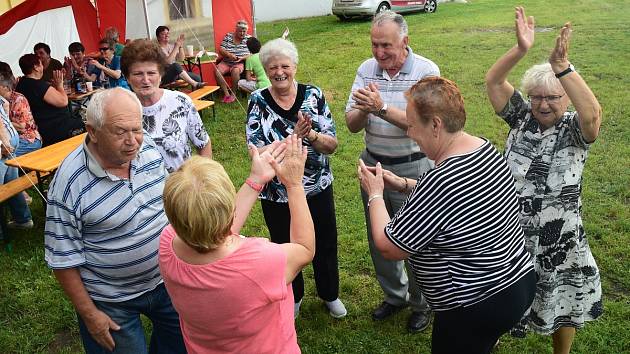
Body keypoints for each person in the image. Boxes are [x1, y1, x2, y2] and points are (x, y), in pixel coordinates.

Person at [358, 76, 536, 354]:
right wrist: (405, 184)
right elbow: (459, 200)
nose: (409, 133)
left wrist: (375, 193)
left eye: (413, 125)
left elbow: (389, 246)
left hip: (473, 305)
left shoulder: (439, 180)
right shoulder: (484, 148)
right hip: (515, 284)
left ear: (436, 125)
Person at [485, 7, 603, 354]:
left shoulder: (575, 129)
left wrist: (562, 67)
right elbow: (493, 82)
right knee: (500, 299)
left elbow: (593, 114)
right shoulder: (521, 118)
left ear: (566, 98)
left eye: (552, 97)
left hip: (560, 238)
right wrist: (520, 49)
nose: (543, 103)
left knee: (563, 301)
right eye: (537, 96)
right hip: (510, 234)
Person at [44, 87, 186, 353]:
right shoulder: (69, 183)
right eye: (120, 132)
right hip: (111, 300)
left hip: (167, 281)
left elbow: (168, 203)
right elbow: (62, 260)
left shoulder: (148, 150)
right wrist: (90, 316)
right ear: (93, 131)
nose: (133, 141)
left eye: (138, 128)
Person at [159, 135, 312, 353]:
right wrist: (294, 184)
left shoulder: (167, 244)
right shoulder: (258, 263)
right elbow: (304, 249)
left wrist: (256, 180)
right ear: (231, 210)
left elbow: (211, 228)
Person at [344, 10, 439, 332]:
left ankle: (421, 303)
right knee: (379, 238)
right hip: (373, 165)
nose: (379, 53)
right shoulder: (365, 69)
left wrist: (381, 107)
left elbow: (425, 126)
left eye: (387, 45)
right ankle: (395, 297)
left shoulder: (426, 71)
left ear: (405, 41)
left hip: (414, 167)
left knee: (416, 242)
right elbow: (352, 125)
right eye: (374, 45)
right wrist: (362, 109)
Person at [246, 38, 346, 319]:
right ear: (265, 69)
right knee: (283, 245)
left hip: (317, 186)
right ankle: (294, 296)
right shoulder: (257, 101)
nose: (279, 72)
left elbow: (332, 145)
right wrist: (293, 138)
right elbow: (255, 151)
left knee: (325, 241)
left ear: (295, 67)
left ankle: (330, 294)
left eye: (285, 66)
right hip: (277, 193)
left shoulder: (314, 95)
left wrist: (311, 135)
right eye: (273, 67)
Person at [121, 38, 212, 172]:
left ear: (161, 75)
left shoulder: (181, 102)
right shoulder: (120, 110)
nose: (145, 80)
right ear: (127, 77)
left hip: (180, 188)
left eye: (151, 73)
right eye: (138, 74)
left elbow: (203, 144)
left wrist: (203, 178)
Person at [15, 53, 84, 146]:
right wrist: (59, 85)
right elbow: (63, 102)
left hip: (42, 128)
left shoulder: (21, 84)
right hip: (57, 128)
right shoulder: (38, 85)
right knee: (85, 123)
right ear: (36, 67)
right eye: (41, 63)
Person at [0, 94, 33, 233]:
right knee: (11, 182)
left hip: (3, 141)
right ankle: (23, 219)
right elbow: (6, 103)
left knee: (2, 188)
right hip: (12, 136)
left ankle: (2, 231)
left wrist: (4, 142)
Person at [0, 70, 42, 156]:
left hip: (30, 140)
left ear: (6, 88)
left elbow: (21, 127)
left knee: (5, 153)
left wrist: (5, 122)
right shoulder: (3, 102)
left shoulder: (18, 99)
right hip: (17, 138)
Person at [216, 19, 251, 103]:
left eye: (244, 31)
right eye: (240, 31)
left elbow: (254, 53)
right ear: (236, 30)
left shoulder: (249, 39)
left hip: (239, 63)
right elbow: (221, 49)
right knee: (217, 71)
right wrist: (229, 55)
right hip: (226, 61)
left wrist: (243, 58)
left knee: (235, 71)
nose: (242, 33)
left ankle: (233, 93)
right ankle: (226, 94)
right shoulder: (228, 36)